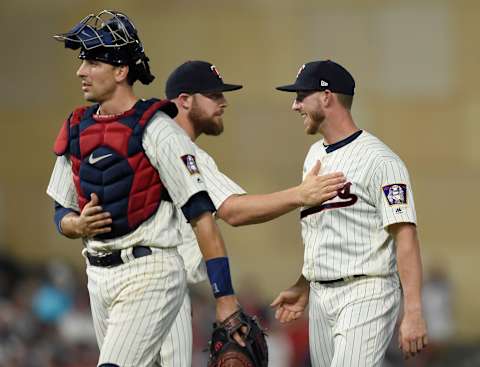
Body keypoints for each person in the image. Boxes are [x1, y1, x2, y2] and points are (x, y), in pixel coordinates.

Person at [47, 11, 245, 367]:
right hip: (98, 275)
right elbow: (60, 212)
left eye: (92, 62)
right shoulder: (77, 128)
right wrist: (76, 225)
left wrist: (225, 297)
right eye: (82, 62)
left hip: (151, 270)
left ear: (121, 71)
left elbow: (202, 216)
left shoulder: (158, 130)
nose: (81, 71)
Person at [157, 60, 348, 366]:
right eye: (214, 95)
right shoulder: (178, 146)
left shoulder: (147, 137)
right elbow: (233, 210)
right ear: (184, 100)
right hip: (159, 285)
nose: (224, 102)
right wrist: (300, 194)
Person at [270, 60, 428, 366]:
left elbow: (405, 237)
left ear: (327, 97)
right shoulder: (314, 155)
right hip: (320, 295)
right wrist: (304, 284)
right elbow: (323, 232)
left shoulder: (380, 160)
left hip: (367, 290)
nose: (295, 105)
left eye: (302, 96)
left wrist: (414, 312)